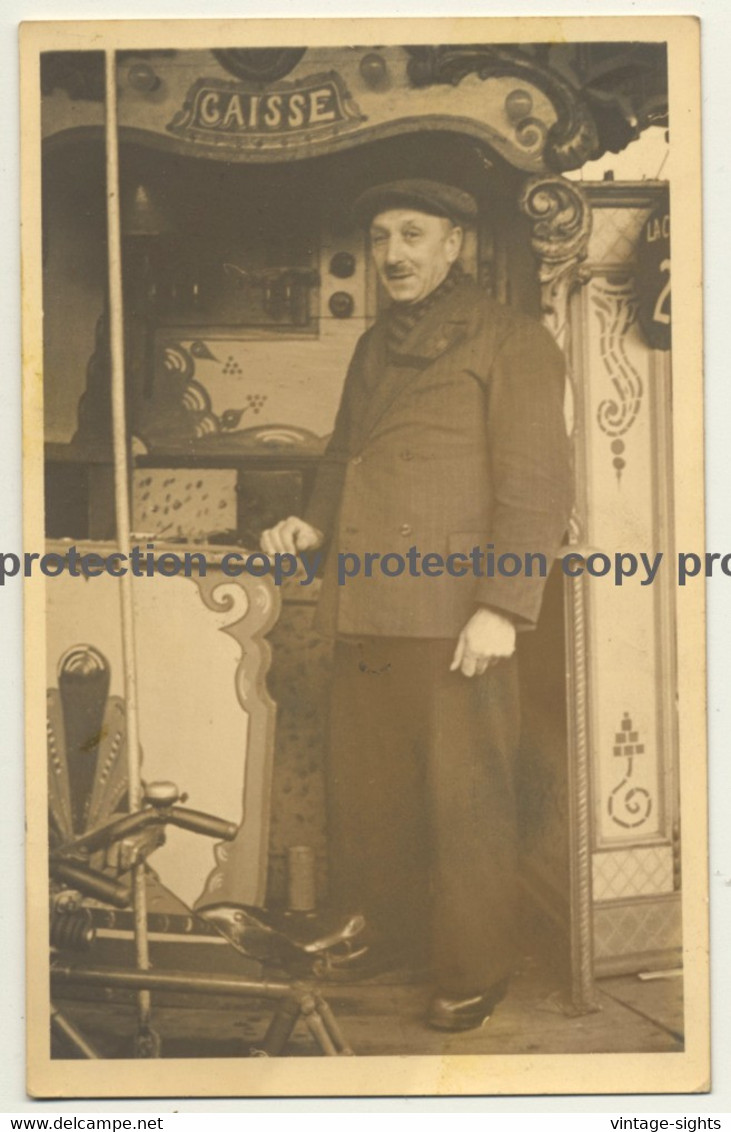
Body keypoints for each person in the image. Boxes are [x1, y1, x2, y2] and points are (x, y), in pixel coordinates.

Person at [260, 178, 572, 1032]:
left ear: (454, 246)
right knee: (373, 795)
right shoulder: (371, 345)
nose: (391, 253)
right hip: (364, 604)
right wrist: (312, 525)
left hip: (453, 616)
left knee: (465, 801)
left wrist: (502, 608)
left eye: (411, 234)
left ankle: (475, 970)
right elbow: (342, 457)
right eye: (378, 236)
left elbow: (539, 488)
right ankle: (391, 939)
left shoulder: (512, 340)